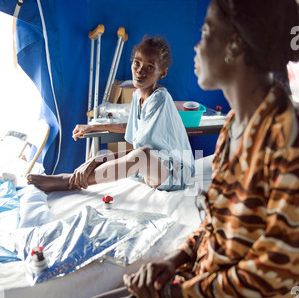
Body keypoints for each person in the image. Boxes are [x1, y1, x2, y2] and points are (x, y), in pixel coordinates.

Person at [55, 0, 299, 298]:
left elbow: (272, 272)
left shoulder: (285, 137)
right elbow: (218, 222)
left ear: (234, 46)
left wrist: (178, 293)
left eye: (205, 34)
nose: (196, 48)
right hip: (207, 282)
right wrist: (173, 260)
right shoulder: (238, 122)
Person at [27, 36, 194, 192]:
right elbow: (132, 127)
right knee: (140, 156)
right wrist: (93, 127)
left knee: (142, 155)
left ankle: (71, 181)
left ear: (162, 73)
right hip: (156, 169)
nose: (140, 71)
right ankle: (73, 179)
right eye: (137, 63)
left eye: (150, 67)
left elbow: (144, 149)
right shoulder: (138, 95)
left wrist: (95, 160)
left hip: (176, 173)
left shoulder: (160, 98)